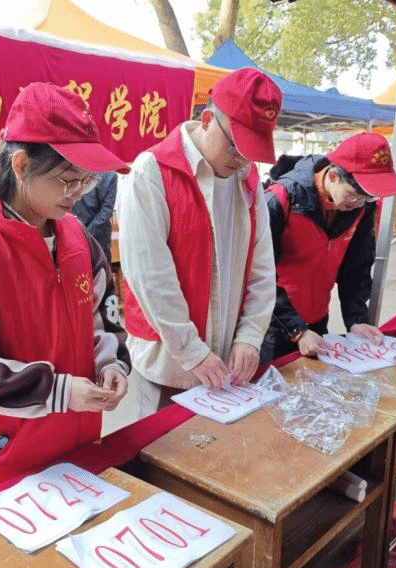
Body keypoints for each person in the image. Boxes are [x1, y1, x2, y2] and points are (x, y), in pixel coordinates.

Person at [0, 82, 131, 492]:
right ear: (21, 166)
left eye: (87, 181)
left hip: (79, 441)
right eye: (67, 180)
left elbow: (105, 322)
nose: (78, 195)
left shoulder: (79, 240)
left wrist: (111, 365)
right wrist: (56, 390)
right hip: (7, 455)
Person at [116, 67, 280, 416]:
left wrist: (250, 336)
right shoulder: (152, 172)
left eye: (252, 150)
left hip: (226, 360)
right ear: (207, 120)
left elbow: (262, 266)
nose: (242, 159)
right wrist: (192, 351)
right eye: (236, 145)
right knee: (162, 445)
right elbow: (150, 278)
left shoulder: (247, 179)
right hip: (169, 363)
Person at [259, 133, 396, 362]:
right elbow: (259, 277)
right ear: (333, 176)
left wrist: (356, 319)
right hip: (272, 324)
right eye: (355, 195)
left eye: (368, 198)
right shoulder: (281, 200)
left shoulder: (361, 208)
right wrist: (296, 330)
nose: (359, 204)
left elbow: (357, 267)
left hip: (317, 320)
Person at [71, 172, 117, 264]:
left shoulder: (77, 170)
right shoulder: (111, 175)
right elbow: (107, 210)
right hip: (83, 232)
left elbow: (107, 210)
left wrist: (85, 233)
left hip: (92, 235)